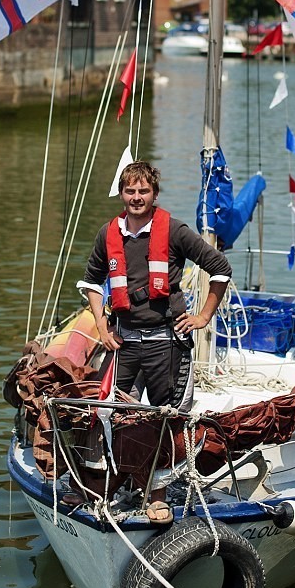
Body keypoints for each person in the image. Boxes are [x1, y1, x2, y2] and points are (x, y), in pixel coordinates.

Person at [82, 160, 232, 413]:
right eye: (130, 191)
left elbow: (221, 269)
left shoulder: (175, 231)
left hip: (167, 343)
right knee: (107, 411)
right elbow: (91, 282)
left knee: (170, 417)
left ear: (155, 194)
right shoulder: (108, 233)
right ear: (122, 194)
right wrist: (100, 324)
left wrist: (204, 316)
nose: (137, 198)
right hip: (123, 343)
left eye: (143, 191)